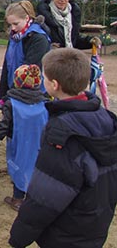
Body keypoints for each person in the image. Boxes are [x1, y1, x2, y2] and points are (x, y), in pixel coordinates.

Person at [9, 48, 117, 248]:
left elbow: (48, 192)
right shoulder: (105, 118)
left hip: (66, 229)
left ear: (54, 84)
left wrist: (20, 235)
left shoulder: (62, 131)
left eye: (44, 77)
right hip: (96, 220)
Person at [0, 64, 48, 211]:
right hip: (39, 141)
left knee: (19, 166)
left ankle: (18, 198)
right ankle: (34, 197)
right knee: (36, 167)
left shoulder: (11, 103)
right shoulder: (45, 103)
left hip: (18, 140)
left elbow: (4, 124)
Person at [0, 0, 50, 101]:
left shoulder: (38, 39)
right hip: (13, 91)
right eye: (10, 24)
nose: (13, 28)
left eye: (16, 24)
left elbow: (30, 70)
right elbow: (6, 67)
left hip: (31, 95)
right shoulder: (15, 37)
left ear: (26, 18)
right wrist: (2, 96)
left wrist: (9, 96)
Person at [36, 0, 100, 49]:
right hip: (50, 58)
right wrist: (49, 47)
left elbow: (74, 40)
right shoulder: (43, 15)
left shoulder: (74, 14)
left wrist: (90, 41)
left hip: (68, 56)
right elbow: (36, 41)